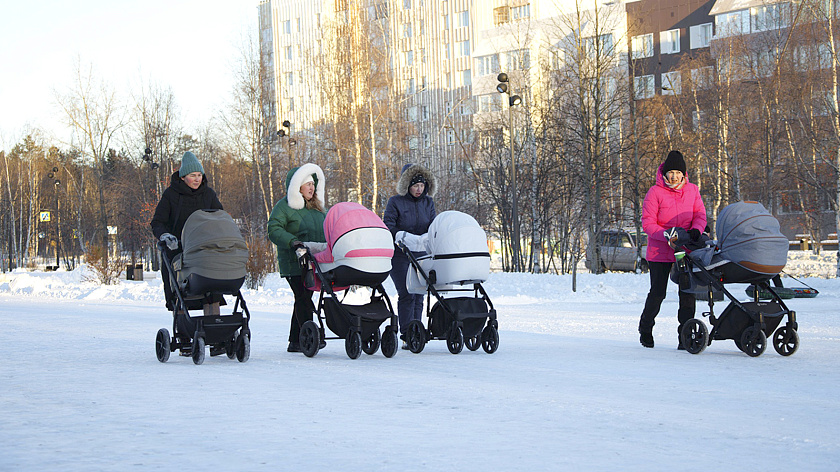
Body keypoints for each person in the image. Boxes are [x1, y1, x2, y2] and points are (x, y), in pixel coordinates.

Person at [638, 150, 707, 349]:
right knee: (658, 293)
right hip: (660, 250)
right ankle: (645, 329)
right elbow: (648, 223)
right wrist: (666, 235)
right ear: (664, 173)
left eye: (678, 172)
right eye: (671, 172)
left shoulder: (693, 190)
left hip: (684, 249)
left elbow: (700, 214)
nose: (674, 176)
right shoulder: (655, 192)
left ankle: (685, 336)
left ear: (684, 174)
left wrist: (696, 231)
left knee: (687, 293)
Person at [150, 151, 223, 312]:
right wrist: (165, 236)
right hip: (177, 250)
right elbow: (157, 222)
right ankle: (183, 329)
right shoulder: (171, 195)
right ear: (183, 177)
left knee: (212, 289)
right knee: (180, 290)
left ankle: (214, 324)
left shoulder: (208, 194)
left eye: (199, 175)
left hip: (204, 250)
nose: (197, 179)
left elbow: (220, 217)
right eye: (192, 175)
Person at [267, 163, 328, 353]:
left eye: (313, 184)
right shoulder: (285, 206)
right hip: (295, 261)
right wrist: (293, 242)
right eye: (307, 184)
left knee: (304, 296)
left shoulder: (317, 209)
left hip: (314, 260)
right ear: (297, 187)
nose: (312, 188)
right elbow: (274, 229)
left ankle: (295, 340)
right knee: (303, 296)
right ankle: (308, 336)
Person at [383, 163, 436, 348]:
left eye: (422, 185)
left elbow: (433, 225)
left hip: (421, 252)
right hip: (400, 254)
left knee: (419, 293)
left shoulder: (428, 202)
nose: (419, 189)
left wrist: (429, 239)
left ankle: (417, 331)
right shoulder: (395, 202)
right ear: (407, 185)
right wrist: (400, 235)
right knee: (407, 293)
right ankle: (406, 333)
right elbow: (388, 225)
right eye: (415, 185)